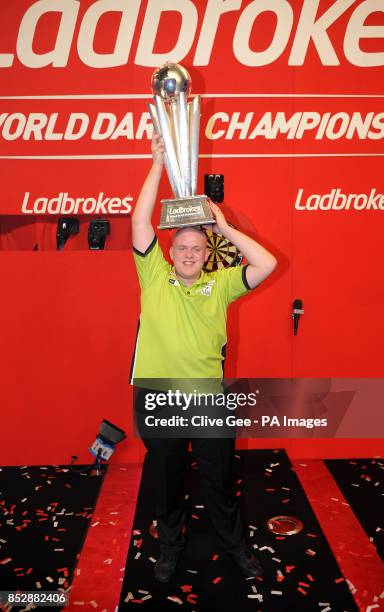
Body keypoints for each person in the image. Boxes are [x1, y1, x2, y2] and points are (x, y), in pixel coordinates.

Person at [130, 133, 277, 583]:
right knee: (168, 479)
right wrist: (156, 165)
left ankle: (235, 547)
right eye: (182, 248)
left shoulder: (223, 284)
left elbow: (267, 264)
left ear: (205, 254)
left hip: (207, 399)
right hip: (157, 396)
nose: (190, 254)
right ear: (169, 253)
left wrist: (226, 229)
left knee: (218, 481)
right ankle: (170, 548)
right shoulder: (153, 276)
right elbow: (139, 223)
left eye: (197, 248)